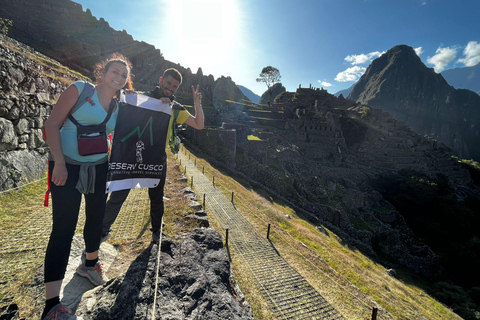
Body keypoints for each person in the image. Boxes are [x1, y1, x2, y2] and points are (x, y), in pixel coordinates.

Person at [42, 54, 132, 320]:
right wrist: (58, 162)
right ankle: (51, 306)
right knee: (63, 229)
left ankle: (89, 264)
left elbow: (136, 125)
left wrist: (163, 103)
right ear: (103, 72)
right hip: (66, 167)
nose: (118, 77)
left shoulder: (117, 107)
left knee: (95, 219)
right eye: (115, 71)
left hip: (99, 167)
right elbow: (52, 124)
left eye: (124, 75)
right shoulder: (80, 89)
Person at [101, 68, 204, 244]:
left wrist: (197, 103)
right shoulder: (142, 98)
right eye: (169, 83)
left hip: (156, 158)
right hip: (129, 155)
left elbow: (198, 124)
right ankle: (102, 230)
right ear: (161, 79)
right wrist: (129, 97)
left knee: (156, 197)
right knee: (118, 194)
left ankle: (157, 232)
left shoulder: (174, 108)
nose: (171, 89)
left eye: (175, 87)